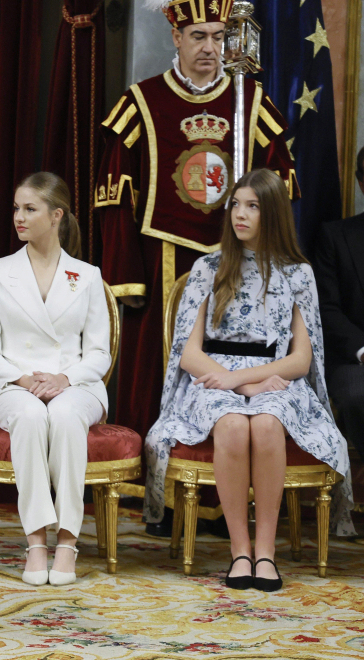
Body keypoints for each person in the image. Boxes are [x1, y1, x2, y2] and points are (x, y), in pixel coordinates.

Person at [95, 1, 298, 535]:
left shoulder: (249, 102)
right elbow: (113, 196)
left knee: (240, 376)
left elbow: (281, 184)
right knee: (167, 374)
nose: (209, 48)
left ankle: (226, 501)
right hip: (163, 260)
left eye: (217, 37)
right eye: (198, 36)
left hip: (241, 264)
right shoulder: (142, 102)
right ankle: (163, 501)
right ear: (176, 40)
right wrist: (126, 276)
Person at [145, 169, 353, 592]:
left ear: (272, 212)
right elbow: (188, 352)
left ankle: (266, 553)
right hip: (213, 377)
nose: (239, 214)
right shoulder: (208, 268)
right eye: (236, 204)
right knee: (235, 424)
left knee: (267, 423)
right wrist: (239, 384)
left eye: (252, 206)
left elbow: (301, 359)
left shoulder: (298, 273)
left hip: (275, 378)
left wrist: (253, 381)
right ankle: (240, 552)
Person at [0, 172, 111, 586]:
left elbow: (100, 354)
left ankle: (67, 541)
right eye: (16, 208)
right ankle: (35, 541)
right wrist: (23, 380)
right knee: (32, 417)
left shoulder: (87, 276)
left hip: (77, 386)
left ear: (56, 216)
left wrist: (65, 378)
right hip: (9, 386)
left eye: (29, 209)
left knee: (67, 417)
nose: (18, 216)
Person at [316, 145, 364, 464]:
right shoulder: (334, 236)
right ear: (361, 182)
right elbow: (327, 309)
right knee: (358, 395)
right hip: (353, 360)